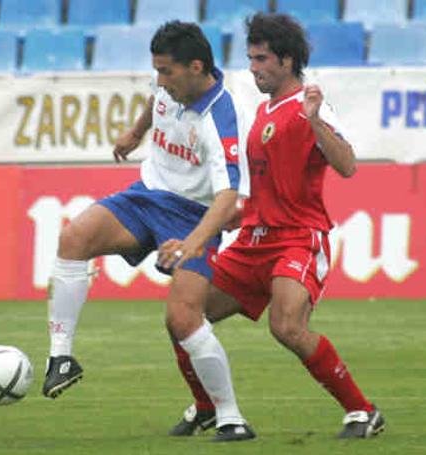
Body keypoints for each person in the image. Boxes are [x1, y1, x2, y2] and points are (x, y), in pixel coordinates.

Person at [158, 13, 386, 439]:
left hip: (299, 239)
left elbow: (349, 166)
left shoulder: (309, 107)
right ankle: (207, 407)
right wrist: (196, 239)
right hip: (254, 240)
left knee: (286, 327)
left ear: (287, 60)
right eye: (250, 58)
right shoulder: (262, 112)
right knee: (183, 316)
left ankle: (362, 411)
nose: (253, 67)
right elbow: (258, 196)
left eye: (262, 59)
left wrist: (316, 120)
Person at [42, 21, 256, 442]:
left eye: (166, 72)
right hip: (147, 196)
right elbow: (155, 99)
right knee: (74, 238)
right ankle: (61, 359)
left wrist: (192, 242)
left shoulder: (222, 119)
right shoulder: (172, 85)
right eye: (156, 71)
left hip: (194, 215)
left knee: (182, 318)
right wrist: (136, 132)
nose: (159, 81)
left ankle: (231, 417)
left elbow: (228, 197)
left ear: (196, 67)